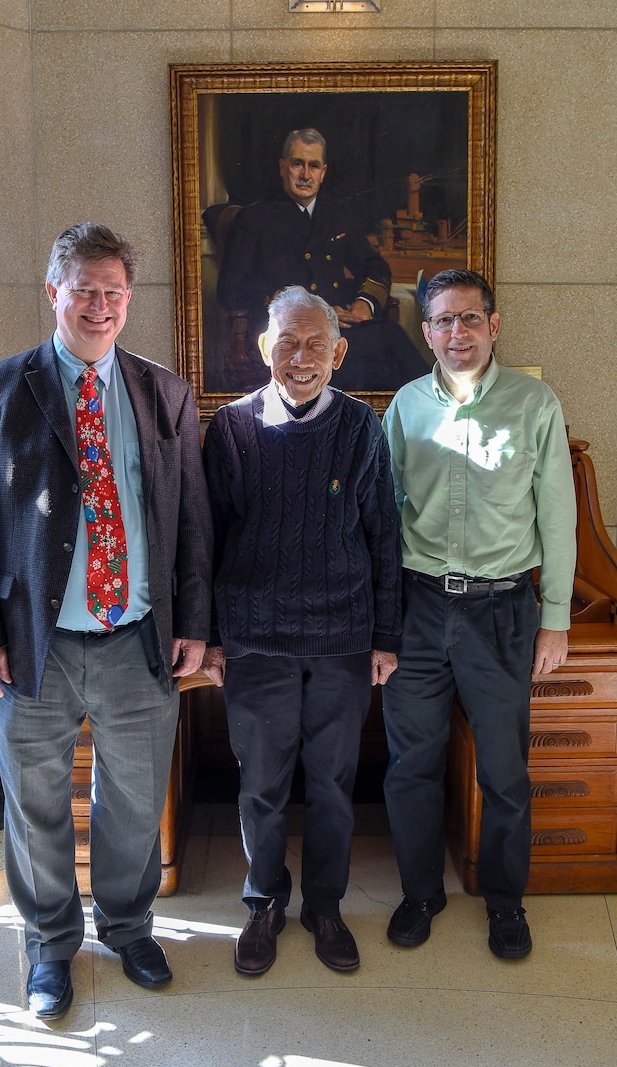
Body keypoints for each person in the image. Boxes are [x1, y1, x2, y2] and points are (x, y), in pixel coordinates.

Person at [0, 223, 213, 1019]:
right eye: (85, 290)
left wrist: (192, 620)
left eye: (114, 293)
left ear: (130, 300)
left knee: (133, 799)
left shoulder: (164, 393)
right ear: (53, 290)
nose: (99, 306)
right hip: (33, 648)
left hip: (138, 639)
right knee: (36, 803)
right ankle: (49, 947)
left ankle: (129, 928)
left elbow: (189, 516)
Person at [201, 285, 401, 976]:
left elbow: (383, 534)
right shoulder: (229, 429)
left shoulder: (358, 427)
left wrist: (387, 636)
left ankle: (325, 904)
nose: (301, 355)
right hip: (255, 635)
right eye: (287, 340)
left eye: (317, 342)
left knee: (332, 781)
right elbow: (211, 538)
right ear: (264, 348)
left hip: (343, 636)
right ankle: (264, 903)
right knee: (261, 782)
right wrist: (213, 636)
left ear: (340, 353)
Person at [381, 268, 577, 960]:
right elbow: (385, 516)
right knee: (412, 765)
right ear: (425, 330)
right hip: (418, 608)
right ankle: (420, 893)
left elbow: (558, 515)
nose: (455, 333)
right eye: (441, 321)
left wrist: (555, 617)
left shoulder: (535, 404)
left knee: (503, 770)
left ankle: (503, 901)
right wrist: (382, 620)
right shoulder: (404, 407)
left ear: (494, 325)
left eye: (469, 319)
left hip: (502, 610)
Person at [216, 128, 429, 392]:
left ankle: (429, 412)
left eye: (313, 166)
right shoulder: (254, 219)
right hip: (288, 335)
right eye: (298, 164)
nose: (306, 175)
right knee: (367, 356)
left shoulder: (339, 215)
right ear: (283, 167)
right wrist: (317, 314)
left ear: (323, 172)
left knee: (389, 338)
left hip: (341, 328)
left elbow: (375, 266)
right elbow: (231, 289)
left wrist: (364, 304)